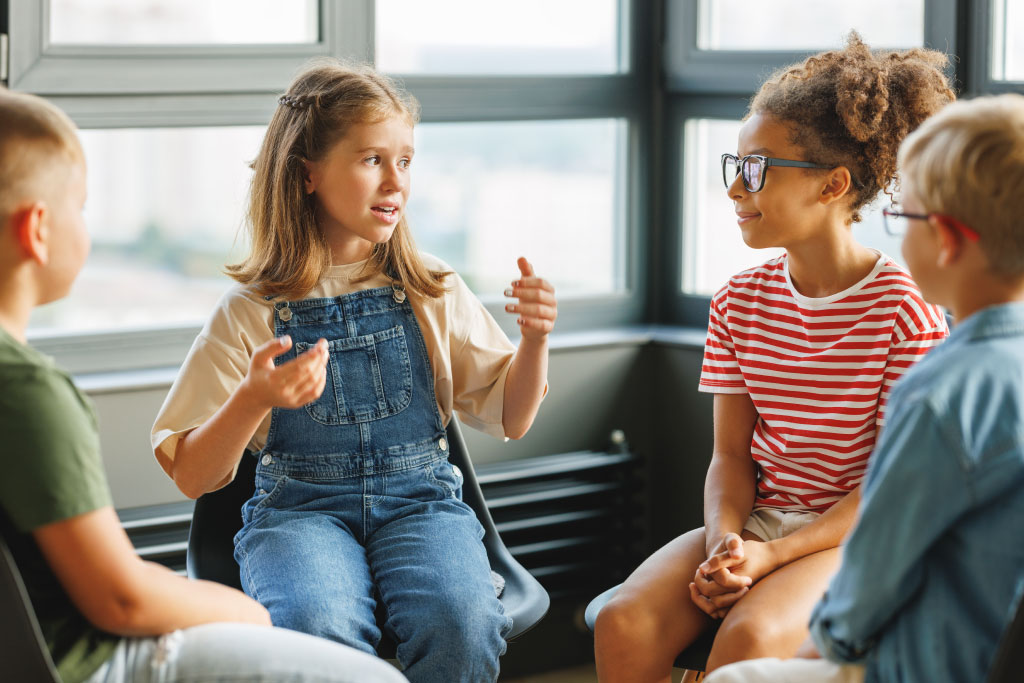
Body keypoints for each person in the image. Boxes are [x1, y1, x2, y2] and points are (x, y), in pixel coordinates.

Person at [150, 60, 556, 683]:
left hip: (421, 506)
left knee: (463, 621)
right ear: (307, 173)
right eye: (371, 159)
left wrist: (534, 341)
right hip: (299, 513)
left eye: (406, 161)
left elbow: (512, 416)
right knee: (316, 626)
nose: (396, 181)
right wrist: (254, 398)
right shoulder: (250, 310)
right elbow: (194, 475)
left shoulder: (431, 286)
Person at [0, 87, 408, 683]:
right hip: (84, 659)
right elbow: (121, 600)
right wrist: (243, 611)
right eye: (80, 207)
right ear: (37, 229)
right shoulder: (28, 395)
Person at [594, 34, 954, 681]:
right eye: (733, 167)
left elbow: (887, 488)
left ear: (833, 185)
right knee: (625, 622)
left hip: (855, 538)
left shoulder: (905, 311)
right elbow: (730, 457)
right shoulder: (737, 301)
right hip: (760, 522)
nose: (736, 188)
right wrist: (724, 544)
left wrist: (772, 556)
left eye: (756, 169)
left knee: (749, 638)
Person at [704, 92, 1024, 683]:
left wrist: (813, 656)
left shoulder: (938, 392)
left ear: (947, 240)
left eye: (906, 218)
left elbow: (876, 569)